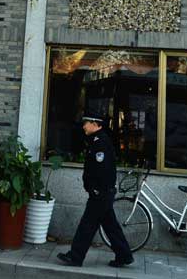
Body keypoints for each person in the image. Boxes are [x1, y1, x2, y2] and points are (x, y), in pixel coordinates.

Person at [57, 112, 134, 268]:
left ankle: (75, 256)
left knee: (87, 225)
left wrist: (96, 190)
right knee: (110, 225)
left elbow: (102, 170)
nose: (84, 126)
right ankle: (124, 255)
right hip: (102, 192)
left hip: (101, 192)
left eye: (86, 123)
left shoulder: (100, 143)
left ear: (95, 124)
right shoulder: (96, 140)